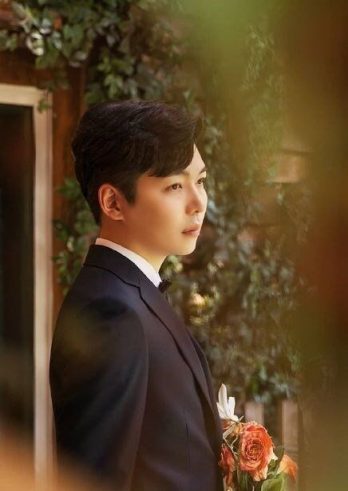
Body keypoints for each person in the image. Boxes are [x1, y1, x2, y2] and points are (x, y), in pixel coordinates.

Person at [49, 100, 223, 491]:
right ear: (113, 203)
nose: (198, 203)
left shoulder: (133, 293)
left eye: (200, 180)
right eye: (174, 186)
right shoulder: (111, 313)